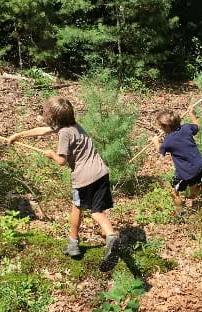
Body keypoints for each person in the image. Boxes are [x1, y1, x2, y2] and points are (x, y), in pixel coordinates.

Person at [8, 96, 120, 272]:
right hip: (101, 173)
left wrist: (51, 154)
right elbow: (43, 131)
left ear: (52, 116)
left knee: (82, 208)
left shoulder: (64, 134)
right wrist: (19, 135)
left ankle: (87, 241)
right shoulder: (75, 126)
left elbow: (61, 161)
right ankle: (103, 239)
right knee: (92, 209)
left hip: (84, 178)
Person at [151, 107, 202, 217]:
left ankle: (181, 213)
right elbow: (197, 126)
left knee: (174, 192)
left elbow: (160, 150)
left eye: (160, 126)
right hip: (197, 165)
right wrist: (191, 114)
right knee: (195, 190)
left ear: (166, 127)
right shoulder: (186, 128)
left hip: (184, 173)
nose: (160, 128)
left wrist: (155, 141)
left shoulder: (168, 141)